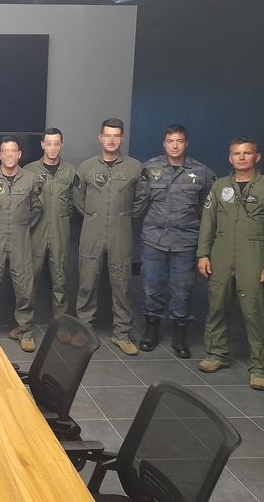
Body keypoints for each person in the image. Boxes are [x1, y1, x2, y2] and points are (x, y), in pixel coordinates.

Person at [197, 137, 264, 391]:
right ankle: (216, 353)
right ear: (230, 158)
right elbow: (207, 222)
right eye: (236, 153)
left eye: (247, 153)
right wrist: (203, 254)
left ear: (257, 157)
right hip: (222, 254)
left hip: (254, 255)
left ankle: (259, 367)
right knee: (217, 306)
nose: (241, 157)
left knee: (255, 311)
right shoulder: (219, 186)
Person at [73, 118, 149, 356]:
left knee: (122, 283)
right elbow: (78, 199)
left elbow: (142, 198)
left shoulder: (134, 168)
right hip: (92, 231)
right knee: (87, 282)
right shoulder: (86, 168)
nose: (112, 140)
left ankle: (122, 333)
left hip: (120, 231)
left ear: (122, 138)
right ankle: (84, 330)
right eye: (108, 135)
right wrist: (94, 216)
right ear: (100, 137)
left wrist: (123, 215)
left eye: (116, 135)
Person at [139, 125, 215, 357]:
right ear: (164, 143)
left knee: (183, 290)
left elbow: (208, 208)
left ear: (186, 143)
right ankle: (151, 332)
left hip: (185, 240)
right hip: (154, 239)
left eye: (179, 141)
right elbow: (139, 199)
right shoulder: (149, 168)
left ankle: (180, 337)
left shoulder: (202, 172)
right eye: (170, 141)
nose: (174, 145)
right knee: (151, 287)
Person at [0, 135, 43, 352]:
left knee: (24, 285)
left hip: (20, 236)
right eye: (5, 151)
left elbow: (37, 208)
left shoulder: (31, 179)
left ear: (19, 154)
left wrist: (21, 225)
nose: (9, 155)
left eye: (13, 150)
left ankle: (25, 330)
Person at [23, 127, 76, 319]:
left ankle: (60, 325)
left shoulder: (71, 171)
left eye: (56, 144)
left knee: (60, 280)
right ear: (42, 145)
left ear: (62, 145)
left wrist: (60, 218)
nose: (52, 148)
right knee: (29, 279)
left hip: (60, 231)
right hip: (35, 232)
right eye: (49, 143)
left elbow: (73, 202)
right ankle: (24, 325)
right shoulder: (29, 171)